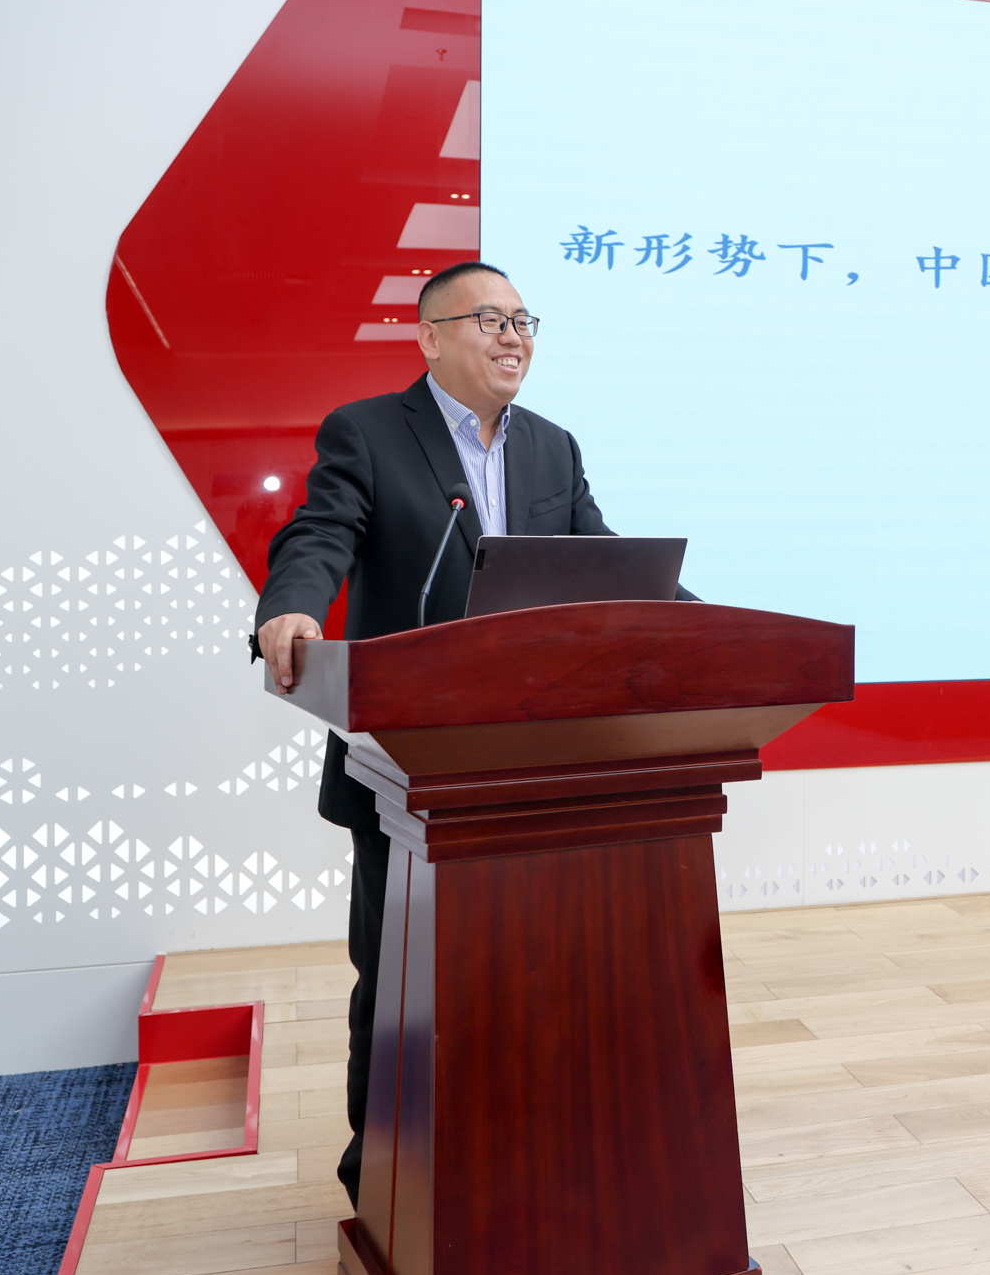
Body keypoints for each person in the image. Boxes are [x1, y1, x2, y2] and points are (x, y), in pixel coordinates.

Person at [252, 260, 689, 1206]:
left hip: (532, 762)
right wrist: (291, 605)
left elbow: (606, 561)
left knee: (532, 977)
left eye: (523, 321)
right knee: (399, 981)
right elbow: (319, 534)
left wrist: (702, 624)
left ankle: (517, 1164)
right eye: (490, 319)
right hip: (407, 763)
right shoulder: (369, 431)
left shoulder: (552, 447)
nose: (512, 337)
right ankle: (386, 1182)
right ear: (429, 336)